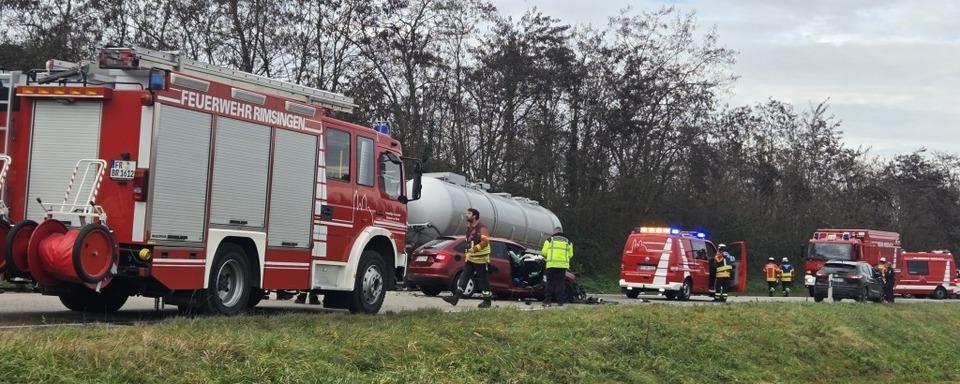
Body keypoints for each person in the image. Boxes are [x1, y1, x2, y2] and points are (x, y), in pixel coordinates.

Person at [443, 208, 493, 308]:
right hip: (470, 258)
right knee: (464, 277)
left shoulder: (482, 228)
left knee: (483, 281)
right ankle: (455, 298)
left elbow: (485, 242)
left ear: (475, 216)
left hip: (481, 259)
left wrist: (474, 249)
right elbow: (469, 241)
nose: (466, 215)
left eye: (469, 213)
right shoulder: (469, 227)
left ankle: (487, 301)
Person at [541, 227, 573, 306]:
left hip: (551, 265)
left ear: (554, 232)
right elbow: (571, 255)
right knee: (560, 283)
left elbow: (544, 253)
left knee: (550, 282)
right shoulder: (568, 242)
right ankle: (560, 301)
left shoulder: (549, 240)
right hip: (562, 266)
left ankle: (548, 300)